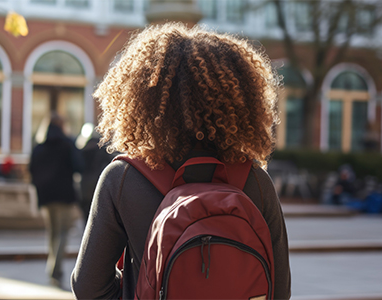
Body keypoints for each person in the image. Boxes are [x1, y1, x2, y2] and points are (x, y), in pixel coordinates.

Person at [71, 23, 291, 299]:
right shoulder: (256, 181)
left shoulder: (123, 178)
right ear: (238, 101)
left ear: (142, 100)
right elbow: (279, 290)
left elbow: (89, 287)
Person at [30, 112, 83, 288]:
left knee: (52, 232)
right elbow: (79, 166)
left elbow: (31, 170)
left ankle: (52, 267)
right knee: (63, 232)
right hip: (64, 194)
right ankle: (55, 270)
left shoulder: (38, 147)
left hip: (46, 195)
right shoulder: (67, 144)